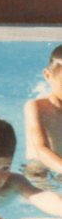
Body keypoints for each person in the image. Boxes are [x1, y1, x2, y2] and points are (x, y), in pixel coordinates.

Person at [24, 45, 62, 176]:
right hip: (41, 172)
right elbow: (41, 149)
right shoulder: (37, 107)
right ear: (47, 75)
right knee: (36, 171)